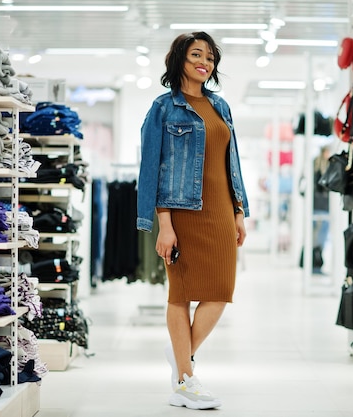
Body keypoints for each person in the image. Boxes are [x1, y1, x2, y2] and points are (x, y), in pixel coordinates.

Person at [137, 32, 249, 410]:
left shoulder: (221, 106)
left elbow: (230, 162)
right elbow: (151, 169)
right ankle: (185, 380)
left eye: (210, 57)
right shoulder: (163, 108)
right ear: (180, 61)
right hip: (182, 212)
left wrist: (238, 211)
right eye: (196, 54)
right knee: (182, 293)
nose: (205, 62)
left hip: (219, 211)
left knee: (220, 291)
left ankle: (181, 356)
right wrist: (162, 223)